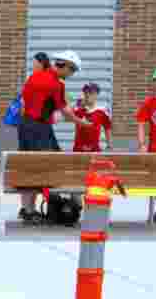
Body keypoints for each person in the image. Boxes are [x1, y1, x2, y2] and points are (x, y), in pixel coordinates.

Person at [15, 50, 92, 223]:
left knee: (28, 168)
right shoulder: (57, 84)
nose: (71, 75)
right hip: (40, 129)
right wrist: (82, 123)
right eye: (72, 71)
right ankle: (54, 207)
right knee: (46, 166)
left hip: (26, 126)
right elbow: (65, 112)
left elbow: (25, 104)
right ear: (64, 66)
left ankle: (28, 209)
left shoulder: (34, 76)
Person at [136, 67, 156, 223]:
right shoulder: (149, 103)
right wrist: (142, 143)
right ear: (154, 83)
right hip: (155, 148)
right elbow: (141, 123)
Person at [72, 82, 112, 152]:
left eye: (90, 92)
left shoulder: (101, 111)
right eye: (85, 93)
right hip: (78, 150)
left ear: (96, 94)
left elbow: (107, 128)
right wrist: (78, 104)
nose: (87, 95)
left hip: (94, 150)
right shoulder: (78, 109)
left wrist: (109, 145)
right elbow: (65, 116)